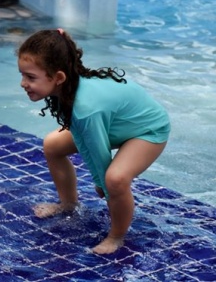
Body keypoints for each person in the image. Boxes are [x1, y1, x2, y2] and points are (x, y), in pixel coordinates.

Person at [17, 29, 170, 254]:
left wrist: (102, 185)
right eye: (22, 75)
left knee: (115, 180)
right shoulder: (68, 89)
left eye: (31, 77)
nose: (23, 83)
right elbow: (81, 136)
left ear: (58, 77)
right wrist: (99, 180)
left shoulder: (86, 107)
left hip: (148, 130)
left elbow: (98, 152)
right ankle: (68, 204)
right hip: (116, 125)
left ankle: (116, 236)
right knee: (53, 145)